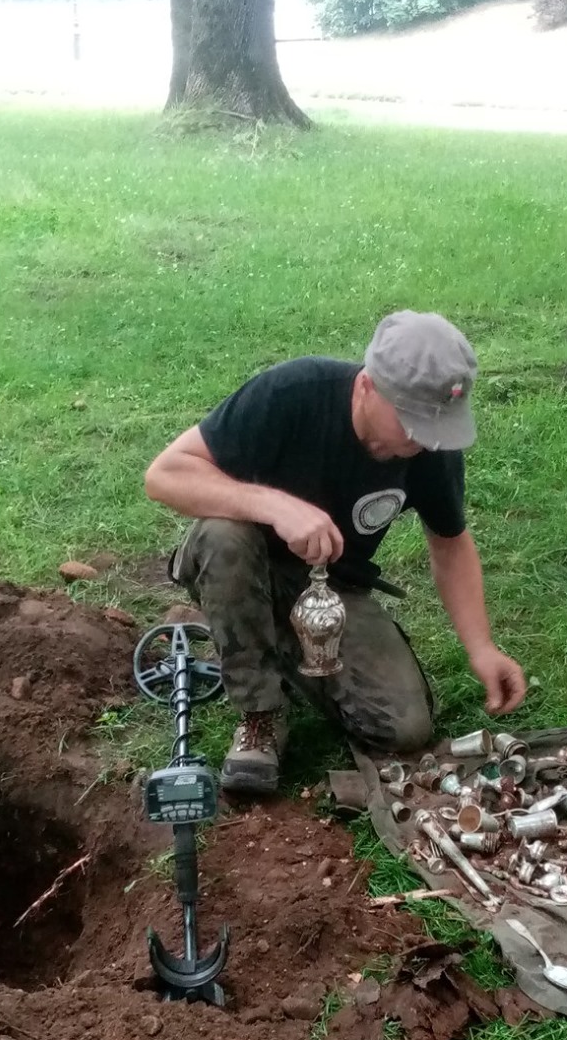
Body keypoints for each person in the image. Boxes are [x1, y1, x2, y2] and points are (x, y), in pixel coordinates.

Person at [144, 311, 527, 795]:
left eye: (434, 424)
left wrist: (481, 647)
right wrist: (275, 506)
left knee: (404, 728)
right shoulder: (292, 392)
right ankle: (259, 713)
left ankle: (275, 637)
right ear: (367, 386)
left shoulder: (431, 447)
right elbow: (164, 475)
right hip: (247, 557)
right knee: (223, 535)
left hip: (336, 584)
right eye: (408, 421)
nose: (420, 439)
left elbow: (450, 544)